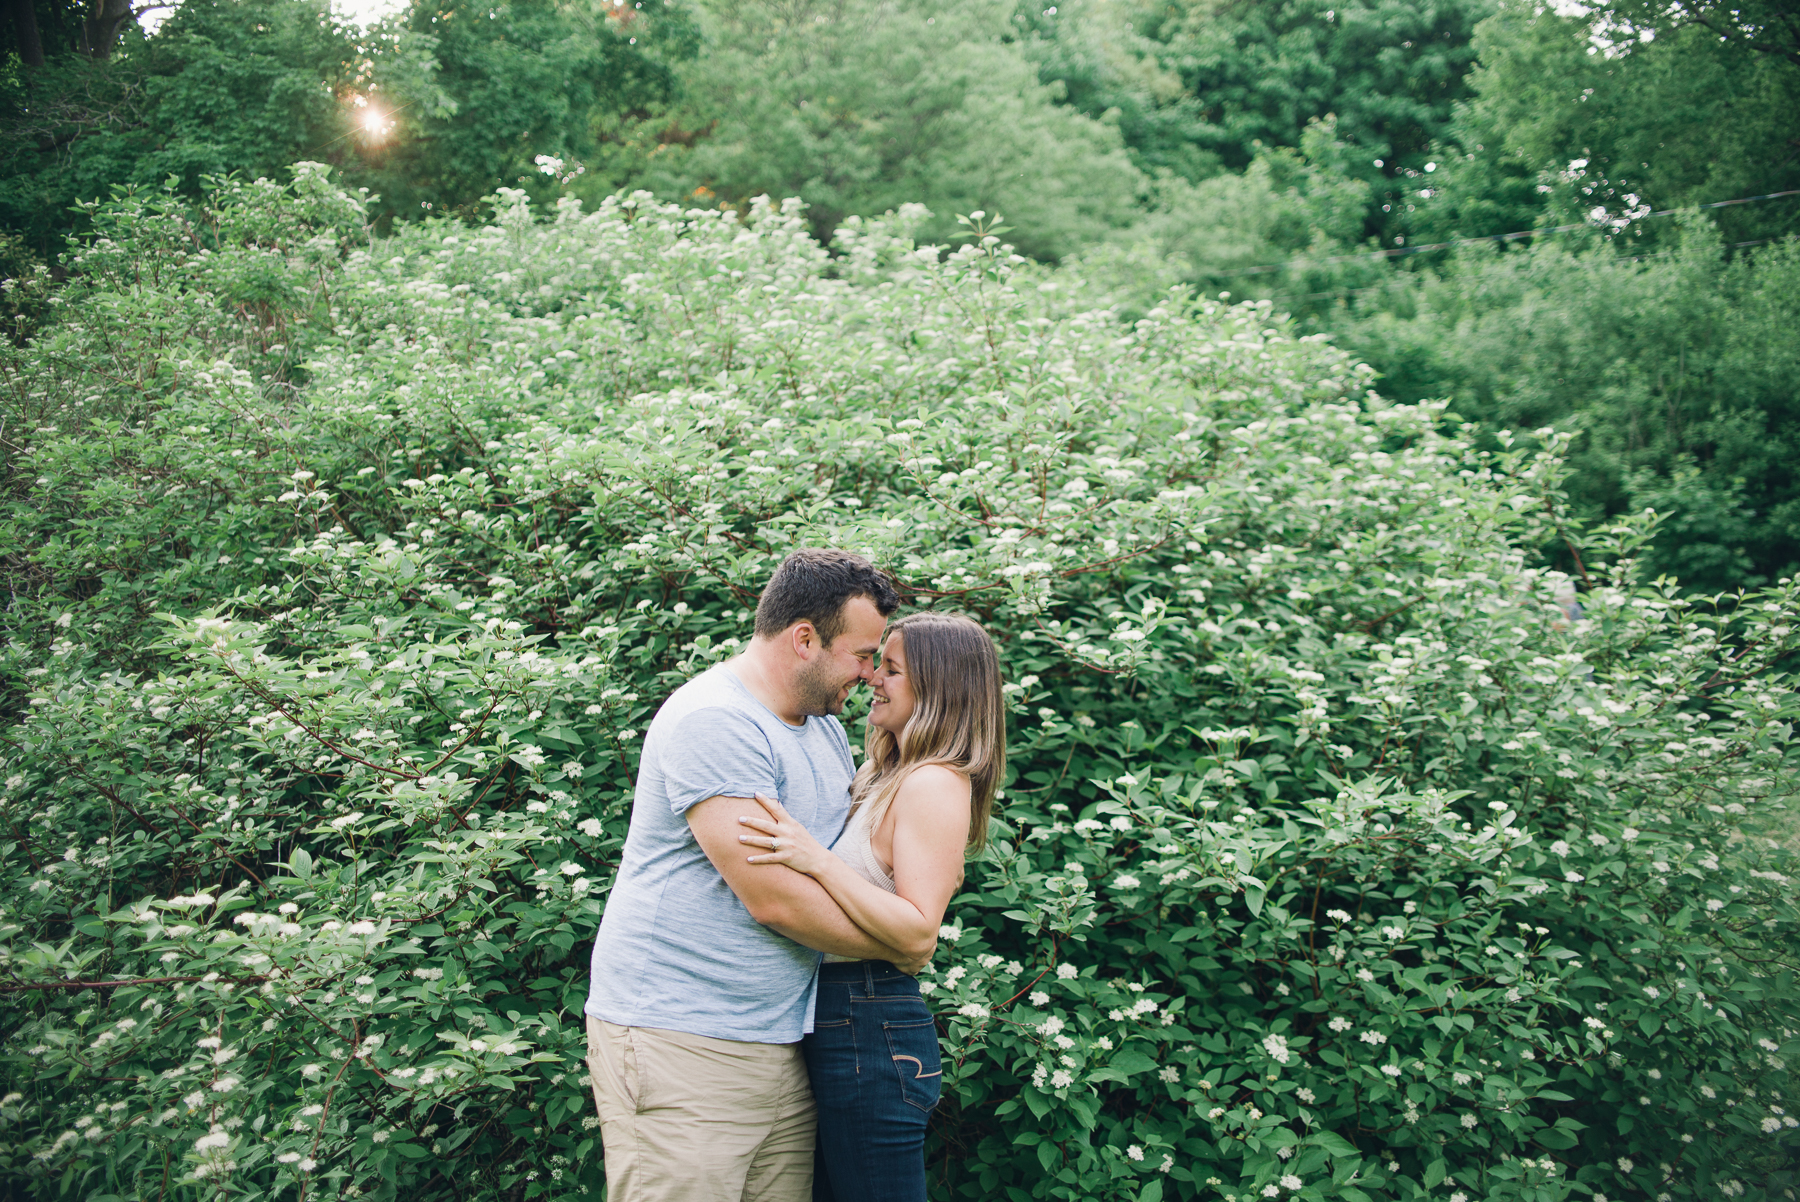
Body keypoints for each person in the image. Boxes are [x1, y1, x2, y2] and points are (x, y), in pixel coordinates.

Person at [582, 548, 915, 1202]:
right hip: (681, 1040)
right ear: (803, 639)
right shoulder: (717, 720)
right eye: (861, 654)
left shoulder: (820, 726)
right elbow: (778, 902)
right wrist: (904, 942)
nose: (870, 674)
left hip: (779, 1038)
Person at [735, 611, 1006, 1202]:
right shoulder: (884, 772)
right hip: (838, 1014)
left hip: (871, 1019)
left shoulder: (935, 781)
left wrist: (817, 860)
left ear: (939, 688)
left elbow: (918, 929)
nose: (872, 679)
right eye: (876, 664)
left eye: (892, 670)